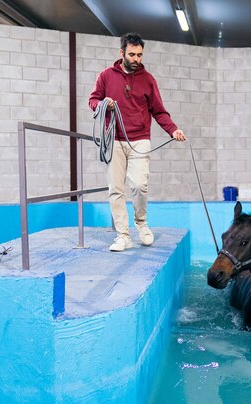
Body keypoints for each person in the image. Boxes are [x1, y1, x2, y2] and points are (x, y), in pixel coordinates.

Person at [89, 32, 186, 252]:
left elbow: (159, 111)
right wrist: (103, 103)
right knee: (116, 189)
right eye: (132, 54)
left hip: (140, 140)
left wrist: (173, 130)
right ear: (121, 52)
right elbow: (92, 100)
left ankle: (141, 224)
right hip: (113, 139)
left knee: (140, 185)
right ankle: (123, 236)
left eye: (139, 55)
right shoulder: (105, 76)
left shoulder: (148, 80)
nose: (136, 59)